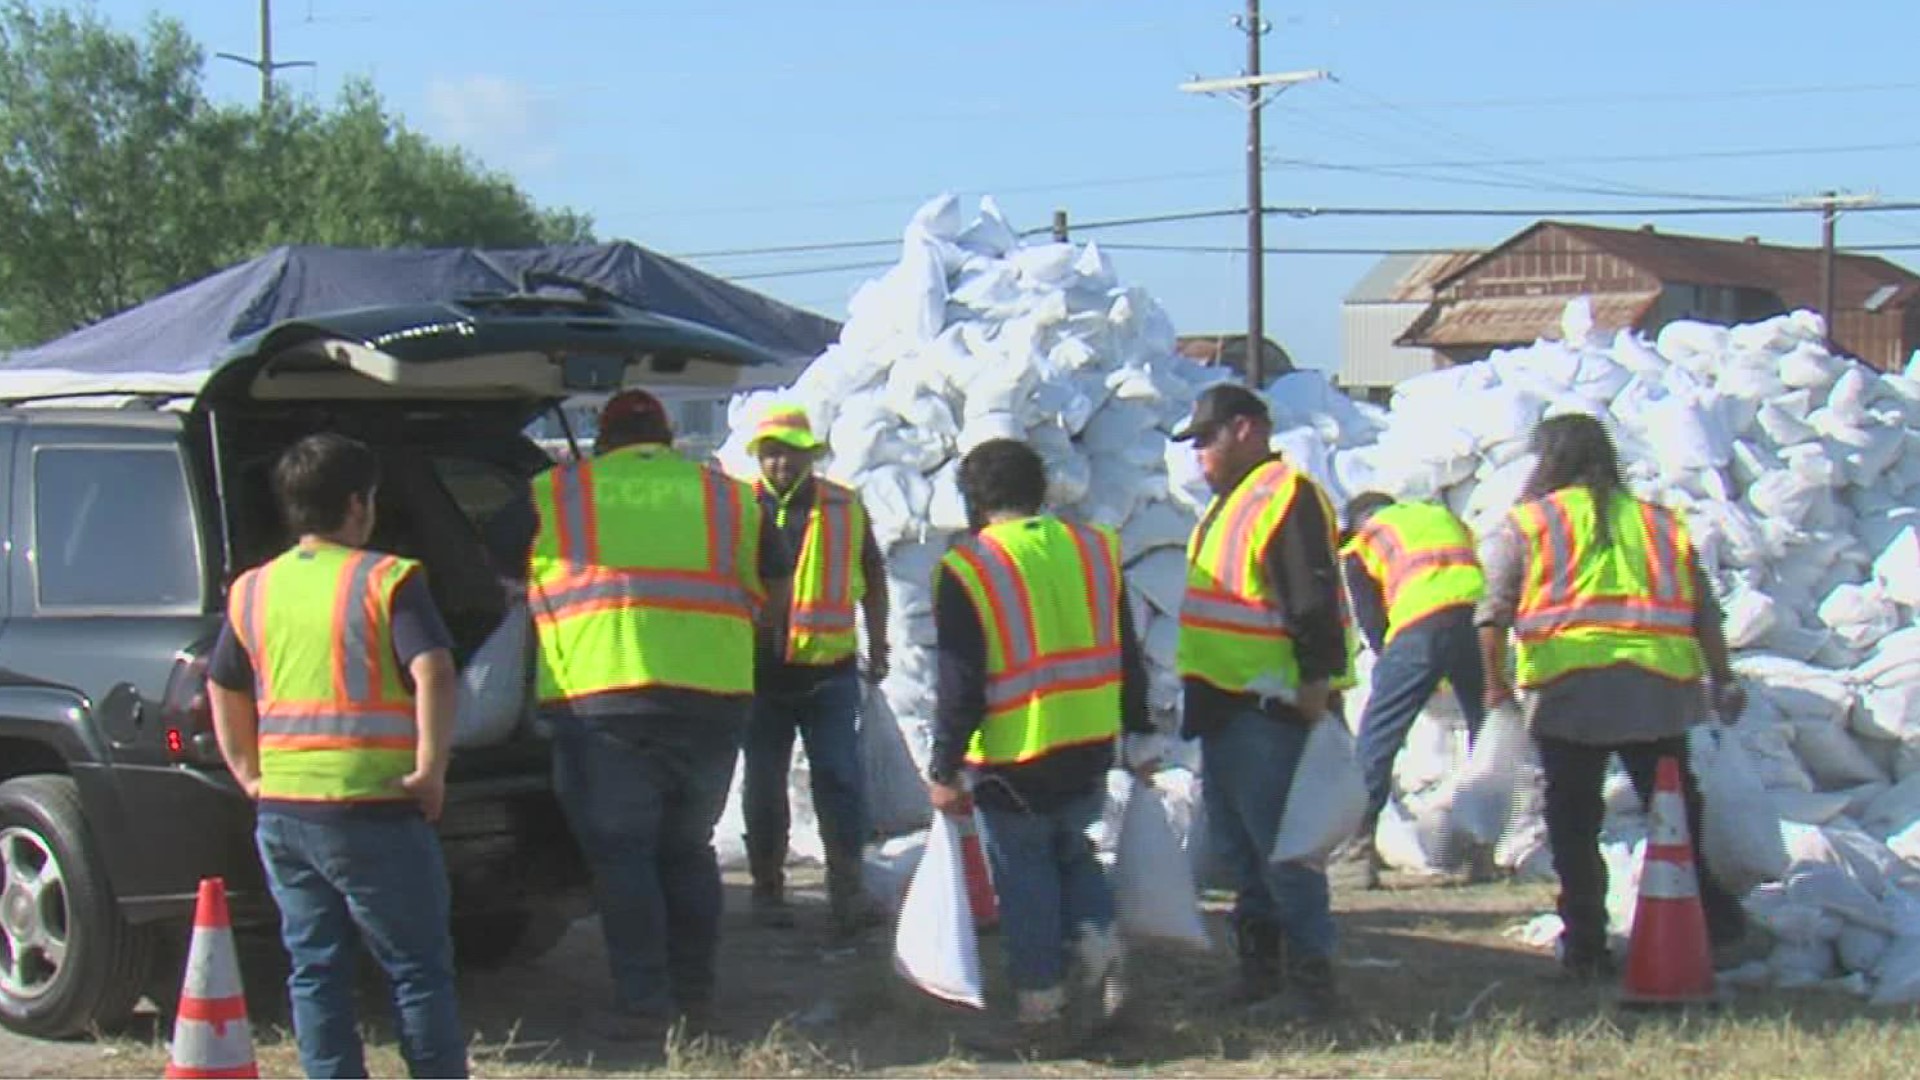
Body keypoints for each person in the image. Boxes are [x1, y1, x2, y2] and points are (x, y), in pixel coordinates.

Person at [207, 432, 467, 1080]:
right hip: (372, 803)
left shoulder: (252, 590)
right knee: (416, 968)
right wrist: (431, 769)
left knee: (315, 968)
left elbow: (223, 680)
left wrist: (246, 769)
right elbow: (434, 668)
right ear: (359, 504)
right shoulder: (385, 578)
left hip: (286, 809)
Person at [527, 390, 775, 1040]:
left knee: (624, 858)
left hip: (605, 697)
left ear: (604, 439)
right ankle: (696, 997)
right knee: (687, 849)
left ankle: (644, 1005)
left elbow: (493, 558)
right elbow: (773, 581)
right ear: (667, 436)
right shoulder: (730, 496)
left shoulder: (557, 492)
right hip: (714, 697)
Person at [1477, 412, 1750, 978]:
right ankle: (1706, 925)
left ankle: (1586, 943)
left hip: (1569, 695)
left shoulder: (1529, 524)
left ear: (1547, 459)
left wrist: (1495, 684)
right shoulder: (1658, 522)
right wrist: (1722, 679)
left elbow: (1493, 614)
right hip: (1659, 693)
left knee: (1573, 821)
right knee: (1675, 811)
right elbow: (1704, 610)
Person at [925, 439, 1154, 1050]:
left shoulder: (970, 568)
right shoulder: (1095, 548)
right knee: (1075, 855)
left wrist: (943, 766)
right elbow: (1127, 649)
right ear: (1040, 490)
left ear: (974, 500)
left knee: (1025, 879)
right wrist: (1139, 729)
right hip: (1088, 740)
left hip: (1014, 752)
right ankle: (1102, 948)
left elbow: (960, 681)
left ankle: (1041, 1012)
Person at [1171, 383, 1346, 1020]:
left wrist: (1313, 689)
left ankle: (1309, 983)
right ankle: (1258, 972)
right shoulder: (1231, 502)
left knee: (1285, 854)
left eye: (1207, 441)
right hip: (1223, 705)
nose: (1200, 456)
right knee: (1245, 857)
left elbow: (1311, 600)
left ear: (1247, 430)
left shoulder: (1285, 497)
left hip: (1267, 708)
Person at [743, 404, 891, 938]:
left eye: (790, 451)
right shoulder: (739, 506)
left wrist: (879, 641)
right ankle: (766, 890)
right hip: (759, 674)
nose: (781, 462)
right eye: (771, 451)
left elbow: (873, 576)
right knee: (763, 785)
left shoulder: (843, 505)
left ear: (809, 454)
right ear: (759, 455)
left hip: (830, 670)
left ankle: (846, 892)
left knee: (839, 779)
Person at [1331, 493, 1489, 889]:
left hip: (1419, 628)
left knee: (1377, 737)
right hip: (1479, 622)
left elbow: (1373, 622)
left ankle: (1353, 856)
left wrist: (1403, 669)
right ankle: (1484, 849)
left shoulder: (1362, 543)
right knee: (1487, 736)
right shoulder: (1443, 517)